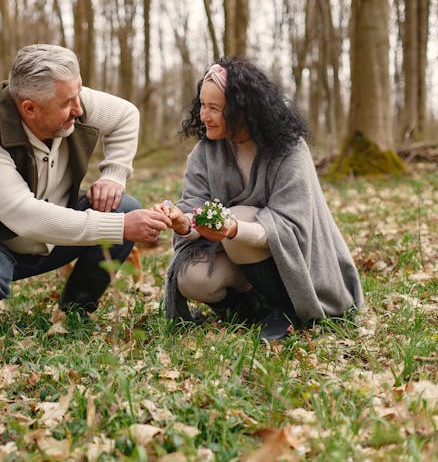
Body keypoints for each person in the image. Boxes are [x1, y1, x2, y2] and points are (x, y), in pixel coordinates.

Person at [0, 44, 171, 329]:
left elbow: (126, 115)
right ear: (29, 108)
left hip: (52, 239)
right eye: (67, 104)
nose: (78, 109)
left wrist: (113, 175)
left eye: (78, 96)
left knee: (123, 207)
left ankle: (76, 310)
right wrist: (120, 227)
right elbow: (27, 217)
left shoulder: (67, 98)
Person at [154, 56, 363, 342]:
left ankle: (285, 310)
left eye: (214, 108)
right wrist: (181, 223)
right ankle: (250, 310)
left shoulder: (287, 148)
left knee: (238, 221)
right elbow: (194, 207)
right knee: (191, 277)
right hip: (237, 255)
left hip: (296, 262)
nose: (203, 116)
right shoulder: (205, 153)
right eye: (202, 105)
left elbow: (293, 226)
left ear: (242, 110)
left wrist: (234, 229)